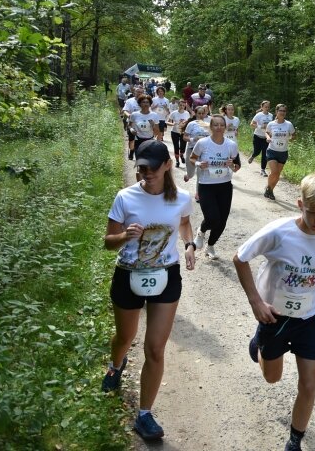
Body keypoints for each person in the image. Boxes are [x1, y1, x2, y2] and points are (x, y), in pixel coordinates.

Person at [233, 171, 315, 451]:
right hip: (273, 316)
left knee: (309, 384)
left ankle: (294, 441)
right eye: (313, 213)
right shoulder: (279, 232)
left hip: (308, 317)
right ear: (300, 204)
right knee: (272, 378)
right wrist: (256, 301)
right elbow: (240, 258)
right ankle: (259, 344)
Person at [101, 139, 195, 442]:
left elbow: (184, 223)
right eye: (141, 169)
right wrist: (125, 235)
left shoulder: (181, 198)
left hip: (166, 275)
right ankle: (116, 365)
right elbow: (107, 242)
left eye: (152, 169)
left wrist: (190, 244)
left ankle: (144, 415)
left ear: (167, 165)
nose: (146, 174)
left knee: (155, 348)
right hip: (129, 275)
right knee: (125, 337)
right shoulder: (125, 198)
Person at [189, 114, 241, 260]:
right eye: (216, 125)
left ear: (225, 127)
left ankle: (210, 246)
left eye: (222, 125)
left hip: (224, 186)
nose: (219, 128)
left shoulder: (231, 145)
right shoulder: (203, 143)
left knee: (222, 220)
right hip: (206, 186)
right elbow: (192, 158)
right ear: (211, 127)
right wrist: (199, 164)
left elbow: (237, 167)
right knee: (212, 218)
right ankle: (201, 231)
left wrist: (232, 165)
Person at [264, 104, 296, 200]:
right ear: (276, 112)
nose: (282, 112)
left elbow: (294, 135)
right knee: (274, 172)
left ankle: (270, 190)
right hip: (272, 151)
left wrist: (291, 139)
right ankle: (269, 188)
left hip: (283, 152)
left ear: (285, 113)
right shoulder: (271, 124)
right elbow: (266, 132)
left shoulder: (289, 124)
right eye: (280, 111)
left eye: (284, 111)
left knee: (278, 174)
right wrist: (268, 137)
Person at [181, 105, 210, 202]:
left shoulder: (208, 124)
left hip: (204, 151)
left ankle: (198, 193)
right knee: (191, 173)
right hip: (192, 149)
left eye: (203, 113)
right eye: (199, 113)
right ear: (195, 114)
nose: (201, 115)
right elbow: (184, 137)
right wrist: (194, 139)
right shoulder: (191, 124)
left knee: (200, 173)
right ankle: (188, 175)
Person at [129, 95, 160, 181]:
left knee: (149, 164)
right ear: (140, 104)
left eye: (147, 102)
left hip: (150, 141)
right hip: (139, 140)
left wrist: (153, 125)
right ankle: (139, 185)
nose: (145, 104)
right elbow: (130, 126)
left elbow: (157, 132)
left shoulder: (154, 115)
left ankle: (148, 182)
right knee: (140, 163)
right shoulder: (134, 115)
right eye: (143, 102)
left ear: (150, 104)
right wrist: (132, 130)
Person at [248, 100, 273, 176]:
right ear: (262, 107)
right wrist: (261, 126)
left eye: (268, 107)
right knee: (257, 151)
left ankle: (263, 170)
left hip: (266, 137)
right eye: (265, 107)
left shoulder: (271, 115)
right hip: (257, 136)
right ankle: (253, 156)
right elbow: (252, 124)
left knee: (265, 154)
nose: (267, 108)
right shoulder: (259, 115)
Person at [167, 99, 190, 168]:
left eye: (183, 105)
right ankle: (177, 161)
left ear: (185, 106)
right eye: (180, 105)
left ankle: (181, 155)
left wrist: (185, 124)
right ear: (178, 105)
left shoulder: (187, 113)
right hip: (174, 132)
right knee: (176, 147)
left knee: (183, 147)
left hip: (183, 132)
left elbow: (188, 123)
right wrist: (173, 124)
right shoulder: (174, 113)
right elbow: (167, 122)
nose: (182, 106)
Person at [122, 87, 144, 160]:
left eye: (141, 92)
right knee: (132, 140)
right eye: (138, 92)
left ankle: (140, 154)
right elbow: (125, 110)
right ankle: (131, 151)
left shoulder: (145, 101)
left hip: (142, 124)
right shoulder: (129, 101)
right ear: (134, 92)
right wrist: (129, 115)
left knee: (141, 140)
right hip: (131, 123)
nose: (139, 93)